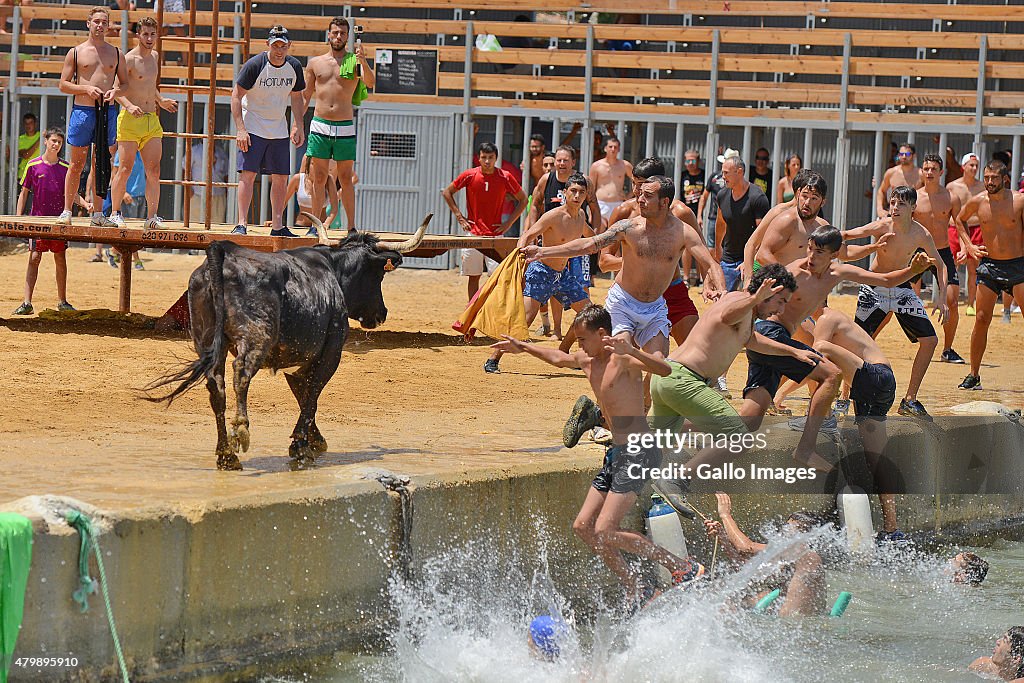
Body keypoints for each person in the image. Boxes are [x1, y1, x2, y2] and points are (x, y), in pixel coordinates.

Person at [490, 305, 705, 609]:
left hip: (640, 452)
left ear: (602, 335)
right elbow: (558, 358)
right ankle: (638, 589)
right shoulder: (587, 360)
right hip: (616, 453)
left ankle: (682, 566)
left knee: (606, 528)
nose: (579, 346)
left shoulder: (624, 358)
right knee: (583, 527)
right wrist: (522, 347)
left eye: (582, 339)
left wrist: (634, 350)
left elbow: (664, 369)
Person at [738, 226, 934, 470]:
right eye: (809, 249)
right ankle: (806, 448)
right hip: (770, 333)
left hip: (777, 338)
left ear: (834, 255)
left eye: (819, 252)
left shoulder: (837, 272)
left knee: (751, 416)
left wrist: (913, 270)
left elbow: (884, 280)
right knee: (830, 375)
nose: (811, 257)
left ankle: (691, 438)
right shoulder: (795, 272)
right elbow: (754, 295)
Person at [644, 265, 820, 485]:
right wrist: (756, 298)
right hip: (684, 381)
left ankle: (630, 485)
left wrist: (794, 351)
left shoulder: (745, 313)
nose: (781, 310)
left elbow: (752, 340)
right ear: (768, 291)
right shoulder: (740, 303)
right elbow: (728, 315)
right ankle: (678, 480)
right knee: (738, 437)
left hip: (668, 378)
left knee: (654, 448)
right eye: (781, 301)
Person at [524, 175, 724, 361]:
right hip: (623, 304)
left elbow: (710, 264)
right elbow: (589, 244)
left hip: (654, 308)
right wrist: (543, 252)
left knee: (658, 363)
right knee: (622, 358)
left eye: (648, 196)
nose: (640, 200)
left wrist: (721, 291)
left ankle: (643, 400)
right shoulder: (629, 228)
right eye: (640, 194)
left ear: (664, 202)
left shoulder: (683, 232)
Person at [843, 186, 948, 418]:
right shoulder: (882, 225)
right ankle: (843, 398)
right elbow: (848, 235)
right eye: (892, 203)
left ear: (913, 208)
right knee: (857, 343)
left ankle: (910, 399)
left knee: (930, 340)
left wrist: (942, 298)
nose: (894, 208)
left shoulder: (921, 234)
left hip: (901, 288)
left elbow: (940, 265)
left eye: (900, 204)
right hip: (874, 288)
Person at [604, 157, 724, 346]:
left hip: (672, 288)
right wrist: (637, 263)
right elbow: (603, 262)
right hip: (633, 294)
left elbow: (703, 257)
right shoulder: (624, 212)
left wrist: (708, 285)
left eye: (642, 185)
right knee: (626, 357)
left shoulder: (681, 213)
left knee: (695, 347)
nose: (637, 191)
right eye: (634, 184)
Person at [810, 307, 904, 541]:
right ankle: (892, 528)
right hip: (877, 386)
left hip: (873, 378)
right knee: (877, 459)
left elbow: (816, 356)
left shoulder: (825, 318)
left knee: (817, 350)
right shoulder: (834, 320)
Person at [485, 172, 592, 373]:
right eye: (574, 191)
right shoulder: (553, 215)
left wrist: (609, 239)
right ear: (565, 193)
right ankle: (494, 358)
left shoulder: (581, 216)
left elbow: (588, 233)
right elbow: (528, 234)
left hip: (563, 274)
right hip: (541, 271)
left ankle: (563, 351)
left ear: (586, 195)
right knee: (525, 319)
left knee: (588, 312)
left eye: (582, 192)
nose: (577, 196)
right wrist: (520, 252)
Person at [231, 25, 307, 237]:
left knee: (281, 176)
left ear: (289, 46)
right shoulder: (255, 65)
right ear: (268, 45)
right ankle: (241, 224)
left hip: (278, 126)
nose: (279, 50)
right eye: (275, 45)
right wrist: (240, 129)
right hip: (253, 123)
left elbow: (296, 96)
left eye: (283, 46)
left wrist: (298, 125)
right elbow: (236, 95)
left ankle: (277, 226)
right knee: (248, 174)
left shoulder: (294, 66)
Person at [955, 161, 1024, 390]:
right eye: (986, 177)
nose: (989, 182)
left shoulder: (1019, 200)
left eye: (994, 178)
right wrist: (969, 246)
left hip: (1018, 266)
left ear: (1004, 179)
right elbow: (959, 219)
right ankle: (974, 375)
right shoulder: (978, 201)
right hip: (990, 266)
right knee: (981, 319)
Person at [56, 6, 128, 227]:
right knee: (77, 163)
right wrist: (85, 89)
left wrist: (115, 92)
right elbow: (63, 84)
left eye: (104, 22)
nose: (100, 25)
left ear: (108, 25)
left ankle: (98, 213)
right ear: (88, 23)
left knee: (102, 164)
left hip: (107, 111)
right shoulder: (76, 52)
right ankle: (67, 210)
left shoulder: (116, 53)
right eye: (96, 21)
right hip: (83, 111)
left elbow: (125, 84)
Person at [302, 17, 373, 235]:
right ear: (328, 34)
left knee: (345, 178)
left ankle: (351, 226)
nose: (338, 36)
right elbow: (305, 96)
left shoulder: (354, 60)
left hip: (344, 124)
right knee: (319, 177)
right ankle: (316, 226)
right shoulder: (316, 63)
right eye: (335, 32)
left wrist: (364, 62)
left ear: (348, 36)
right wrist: (296, 125)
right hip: (320, 123)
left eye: (342, 33)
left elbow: (370, 83)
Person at [703, 493, 828, 616]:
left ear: (803, 534)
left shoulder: (804, 554)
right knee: (730, 603)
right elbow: (747, 570)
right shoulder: (793, 561)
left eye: (788, 527)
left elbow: (745, 548)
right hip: (787, 625)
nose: (782, 531)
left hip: (792, 628)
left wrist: (725, 515)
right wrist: (724, 539)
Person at [106, 16, 177, 230]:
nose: (149, 38)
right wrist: (128, 106)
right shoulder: (129, 59)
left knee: (154, 170)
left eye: (152, 34)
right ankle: (115, 213)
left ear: (157, 35)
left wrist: (161, 100)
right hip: (130, 119)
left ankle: (152, 216)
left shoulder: (155, 56)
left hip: (150, 119)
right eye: (145, 34)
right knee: (125, 168)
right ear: (138, 35)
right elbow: (116, 89)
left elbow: (149, 85)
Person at [14, 128, 92, 315]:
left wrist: (86, 204)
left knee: (60, 258)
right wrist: (18, 219)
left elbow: (71, 194)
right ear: (46, 141)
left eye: (59, 142)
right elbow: (24, 193)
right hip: (37, 221)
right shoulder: (32, 165)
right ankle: (27, 302)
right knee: (34, 258)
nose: (56, 144)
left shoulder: (66, 168)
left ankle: (62, 301)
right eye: (53, 141)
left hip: (59, 222)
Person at [441, 142, 528, 301]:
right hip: (473, 233)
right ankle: (472, 312)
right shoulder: (469, 175)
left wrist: (508, 223)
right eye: (484, 157)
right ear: (479, 158)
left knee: (496, 278)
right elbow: (447, 192)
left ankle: (490, 312)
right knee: (473, 276)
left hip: (495, 235)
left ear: (496, 158)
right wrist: (460, 217)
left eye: (490, 157)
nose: (487, 161)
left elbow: (523, 200)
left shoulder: (505, 177)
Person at [914, 153, 965, 364]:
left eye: (934, 169)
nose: (929, 172)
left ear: (941, 172)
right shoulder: (914, 196)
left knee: (952, 301)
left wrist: (964, 247)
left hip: (942, 251)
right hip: (918, 251)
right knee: (904, 297)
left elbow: (960, 224)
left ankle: (947, 349)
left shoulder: (951, 197)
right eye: (926, 169)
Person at [715, 156, 770, 292]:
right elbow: (721, 223)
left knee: (750, 302)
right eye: (722, 172)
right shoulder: (722, 195)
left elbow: (763, 234)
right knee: (722, 303)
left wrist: (750, 261)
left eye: (726, 173)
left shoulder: (757, 197)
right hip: (728, 258)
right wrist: (717, 249)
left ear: (739, 172)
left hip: (752, 259)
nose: (723, 176)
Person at [948, 152, 985, 316]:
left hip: (975, 228)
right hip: (955, 229)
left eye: (977, 165)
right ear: (963, 166)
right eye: (971, 165)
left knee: (974, 268)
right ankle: (950, 300)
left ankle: (971, 303)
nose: (975, 168)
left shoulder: (982, 186)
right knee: (951, 266)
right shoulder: (953, 186)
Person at [284, 154, 339, 233]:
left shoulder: (329, 180)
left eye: (321, 165)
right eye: (314, 164)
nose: (317, 168)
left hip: (321, 226)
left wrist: (326, 223)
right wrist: (275, 220)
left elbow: (334, 209)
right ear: (307, 165)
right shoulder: (298, 179)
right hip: (301, 225)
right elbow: (284, 201)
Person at [588, 136, 632, 227]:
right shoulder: (596, 166)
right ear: (605, 148)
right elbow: (590, 187)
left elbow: (638, 181)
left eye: (615, 147)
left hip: (617, 204)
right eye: (610, 147)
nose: (613, 149)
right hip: (601, 203)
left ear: (619, 149)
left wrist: (629, 196)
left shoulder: (625, 165)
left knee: (616, 235)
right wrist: (591, 205)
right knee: (598, 232)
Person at [698, 147, 735, 249]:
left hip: (730, 219)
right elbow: (704, 197)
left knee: (726, 247)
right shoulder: (714, 177)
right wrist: (699, 216)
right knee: (711, 247)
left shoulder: (737, 180)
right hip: (714, 217)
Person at [185, 140, 229, 225]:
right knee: (195, 224)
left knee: (217, 225)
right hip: (198, 194)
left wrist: (227, 191)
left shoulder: (221, 152)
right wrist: (188, 190)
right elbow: (185, 169)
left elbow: (226, 174)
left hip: (218, 195)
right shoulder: (194, 150)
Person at [679, 149, 706, 284]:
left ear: (698, 161)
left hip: (702, 215)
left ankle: (702, 278)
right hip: (685, 214)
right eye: (687, 160)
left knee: (701, 245)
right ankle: (686, 278)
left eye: (693, 160)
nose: (690, 163)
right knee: (686, 246)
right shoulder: (682, 175)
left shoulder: (704, 175)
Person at [877, 142, 922, 218]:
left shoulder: (921, 174)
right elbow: (881, 191)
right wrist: (880, 209)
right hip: (894, 215)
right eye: (901, 154)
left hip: (914, 217)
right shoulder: (891, 173)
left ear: (914, 156)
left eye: (907, 154)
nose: (904, 157)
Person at [16, 112, 41, 189]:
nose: (28, 125)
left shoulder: (42, 136)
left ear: (35, 124)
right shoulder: (20, 139)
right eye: (26, 123)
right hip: (23, 175)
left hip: (39, 175)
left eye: (30, 123)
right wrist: (40, 141)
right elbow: (26, 155)